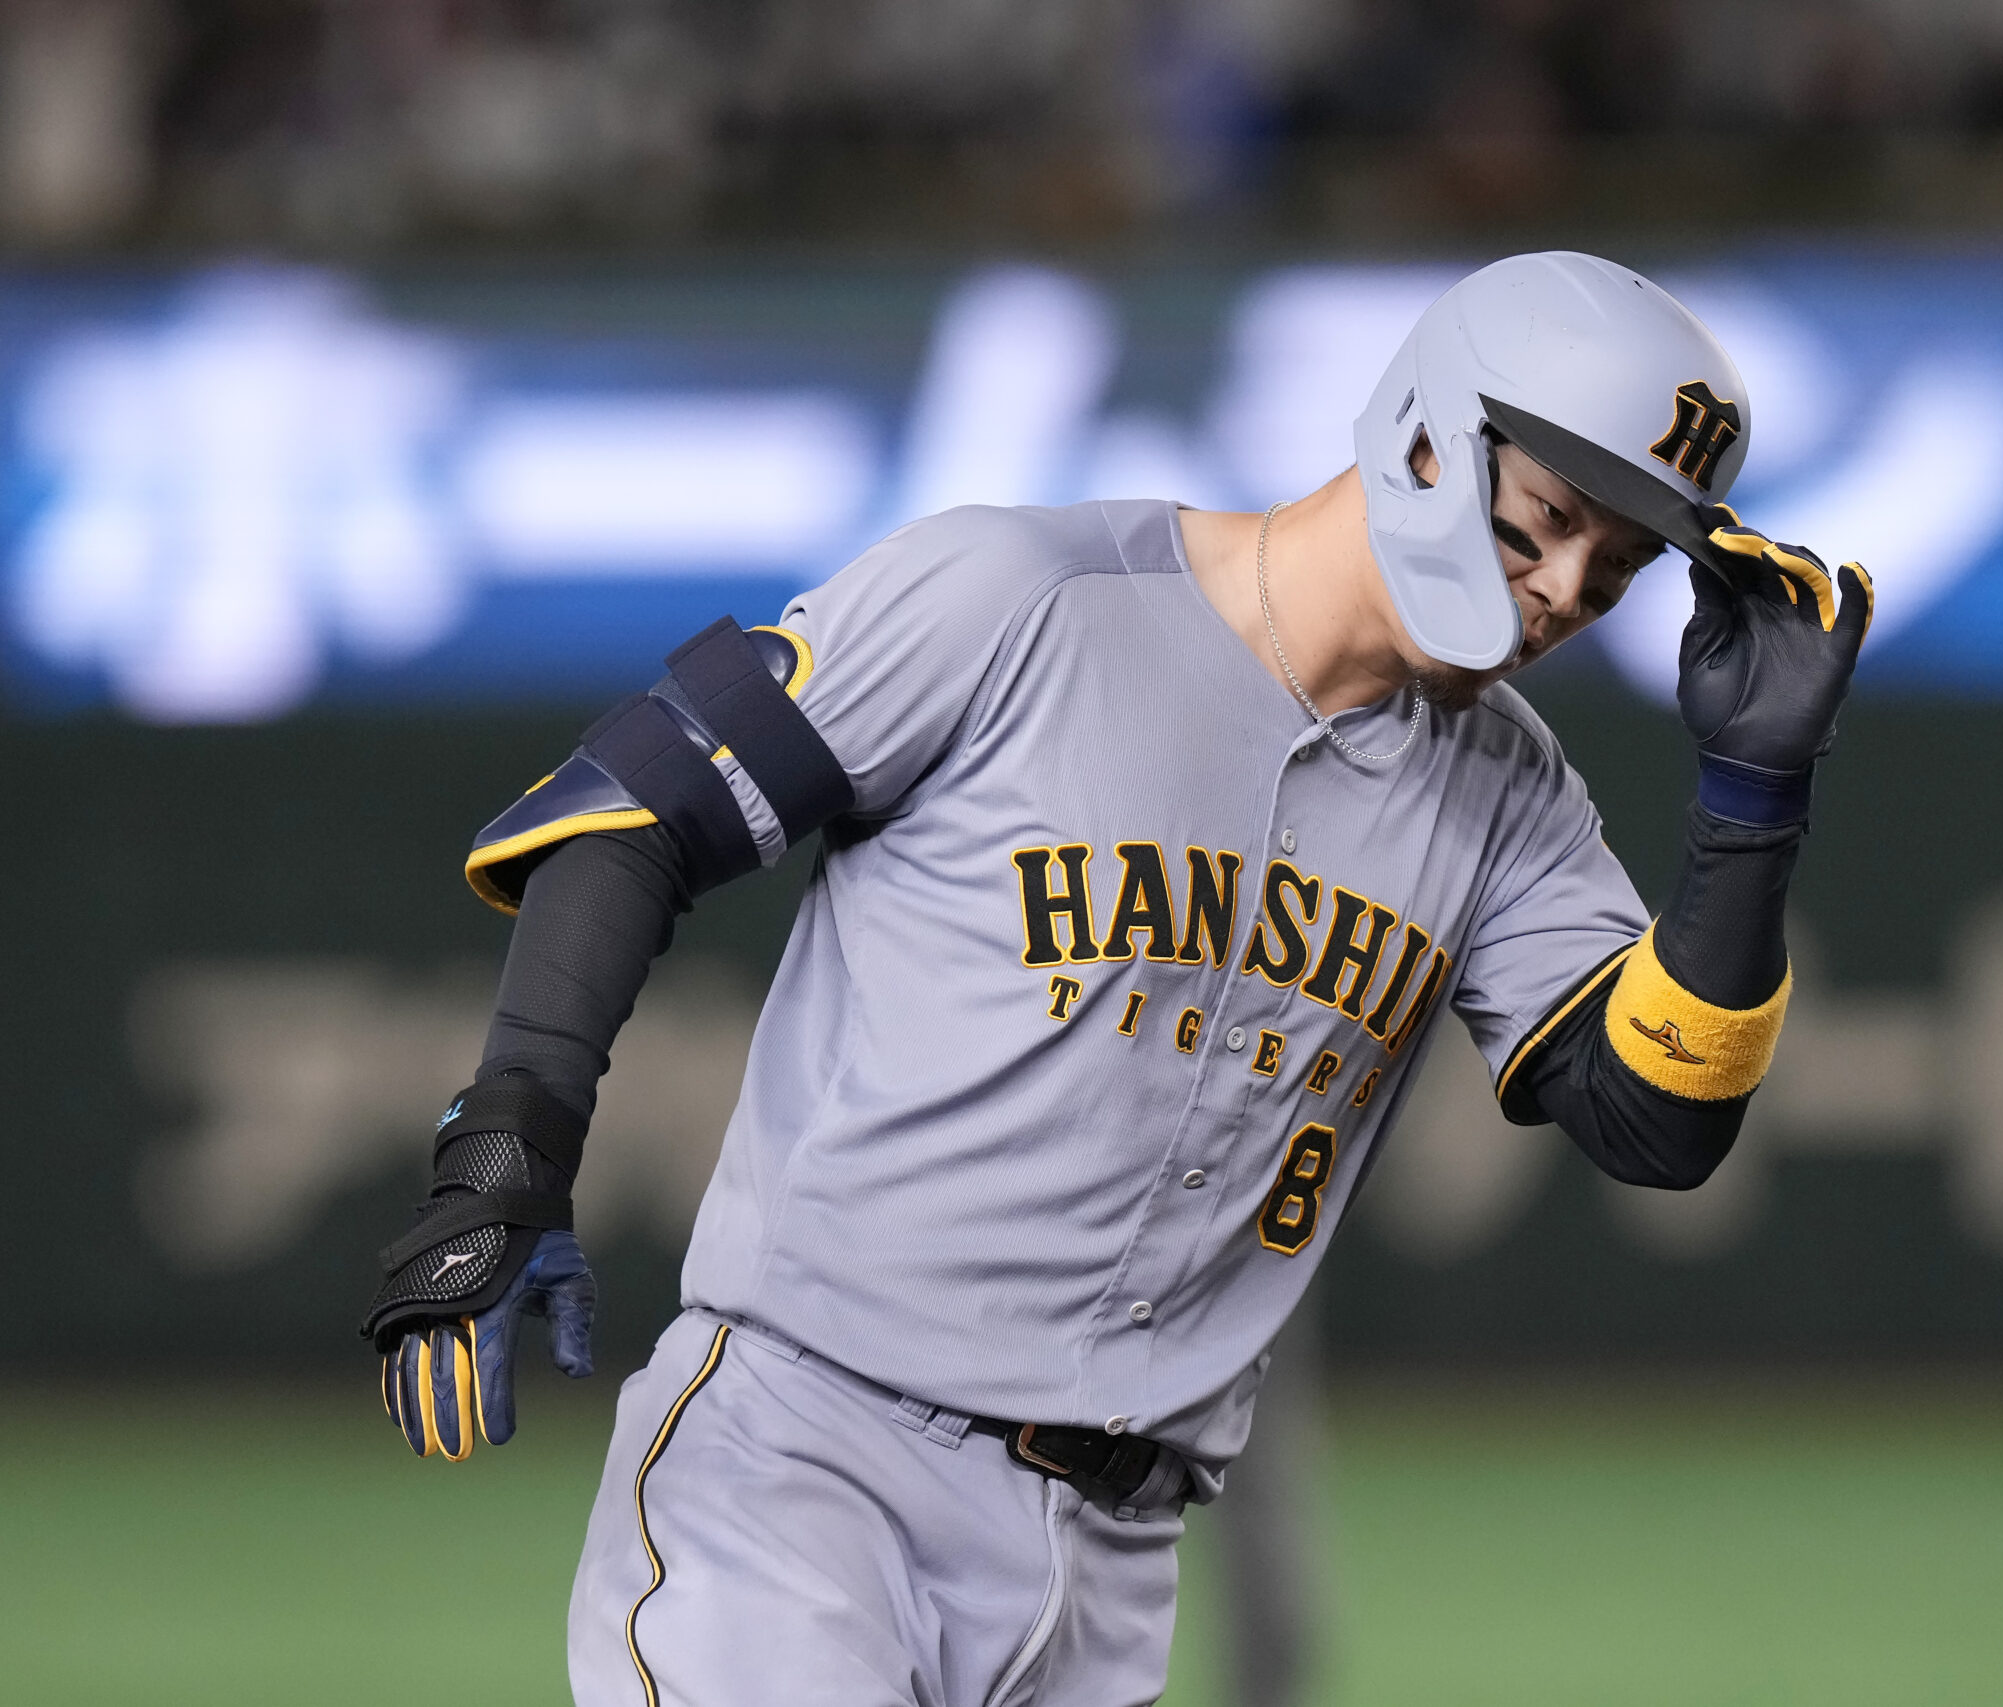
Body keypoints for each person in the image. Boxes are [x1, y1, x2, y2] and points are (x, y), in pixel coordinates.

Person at [361, 251, 1870, 1706]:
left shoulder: (1510, 799)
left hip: (1110, 1566)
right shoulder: (1025, 597)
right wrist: (505, 1154)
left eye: (1614, 569)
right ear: (1428, 430)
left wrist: (1751, 807)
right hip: (809, 1472)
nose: (1559, 590)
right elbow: (632, 816)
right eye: (1544, 520)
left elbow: (1655, 1122)